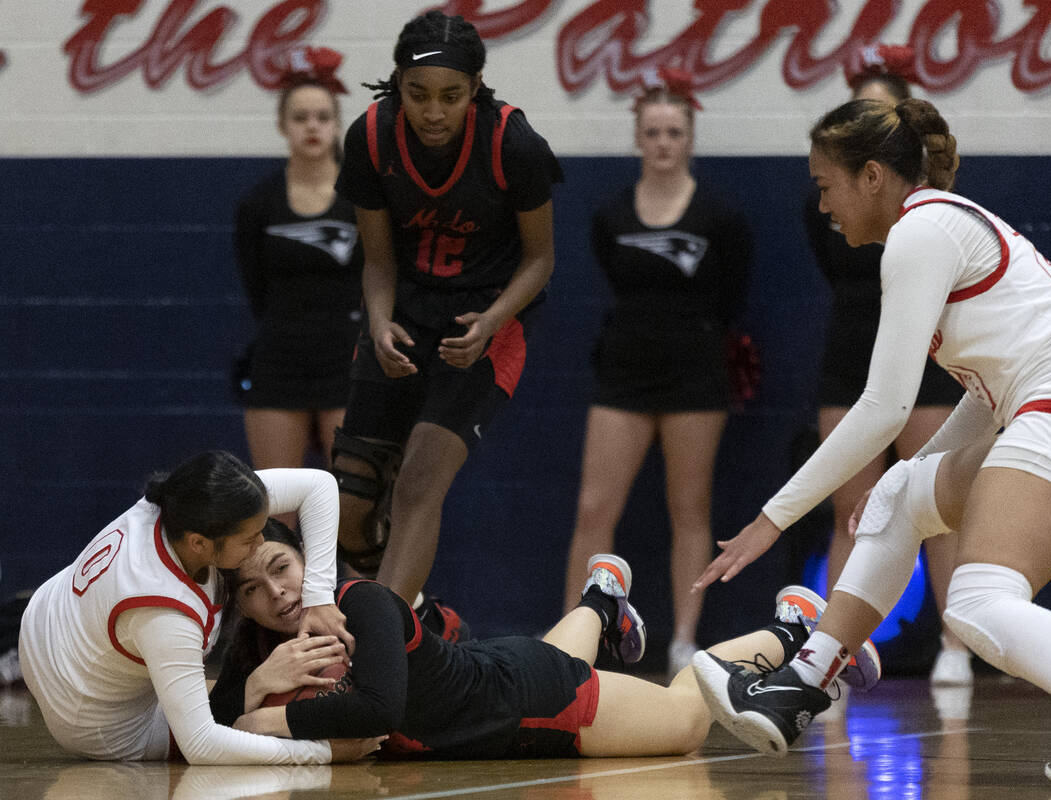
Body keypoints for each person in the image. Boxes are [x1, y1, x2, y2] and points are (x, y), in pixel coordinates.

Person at [689, 97, 1051, 790]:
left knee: (977, 602)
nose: (822, 206)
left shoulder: (920, 232)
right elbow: (982, 396)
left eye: (824, 186)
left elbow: (883, 408)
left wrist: (771, 516)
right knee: (900, 495)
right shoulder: (939, 228)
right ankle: (798, 688)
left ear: (872, 176)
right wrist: (913, 474)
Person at [212, 519, 874, 760]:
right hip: (498, 671)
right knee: (552, 653)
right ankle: (602, 600)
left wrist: (265, 716)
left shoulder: (364, 602)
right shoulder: (267, 659)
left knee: (682, 722)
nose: (275, 592)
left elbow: (376, 713)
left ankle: (792, 630)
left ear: (311, 561)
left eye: (281, 567)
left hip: (529, 696)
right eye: (251, 589)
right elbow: (200, 728)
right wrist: (256, 688)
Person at [330, 10, 562, 612]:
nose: (434, 112)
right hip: (403, 314)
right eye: (418, 95)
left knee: (418, 483)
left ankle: (379, 648)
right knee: (352, 502)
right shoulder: (371, 138)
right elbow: (377, 261)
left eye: (452, 96)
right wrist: (378, 322)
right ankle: (413, 622)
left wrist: (490, 323)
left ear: (477, 86)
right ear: (397, 84)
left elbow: (540, 261)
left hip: (487, 321)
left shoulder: (514, 143)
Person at [561, 67, 752, 675]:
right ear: (638, 139)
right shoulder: (612, 214)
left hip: (696, 377)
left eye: (674, 131)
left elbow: (731, 296)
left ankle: (682, 641)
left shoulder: (719, 216)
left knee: (689, 509)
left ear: (690, 138)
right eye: (653, 132)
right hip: (623, 375)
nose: (664, 142)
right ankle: (572, 643)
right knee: (595, 509)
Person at [17, 450, 379, 764]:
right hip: (92, 723)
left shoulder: (184, 502)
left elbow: (319, 486)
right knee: (236, 723)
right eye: (249, 539)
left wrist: (318, 596)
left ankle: (252, 684)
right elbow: (203, 746)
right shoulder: (163, 611)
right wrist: (323, 753)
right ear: (200, 544)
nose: (261, 542)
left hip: (48, 620)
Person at [807, 47, 969, 689]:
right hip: (851, 347)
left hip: (924, 351)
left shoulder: (929, 209)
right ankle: (843, 651)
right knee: (851, 505)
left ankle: (956, 642)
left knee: (933, 499)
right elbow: (834, 262)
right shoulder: (825, 200)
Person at [234, 47, 363, 472]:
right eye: (301, 117)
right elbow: (256, 287)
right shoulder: (259, 204)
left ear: (337, 124)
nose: (312, 126)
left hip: (347, 362)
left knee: (354, 509)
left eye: (323, 117)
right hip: (279, 361)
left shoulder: (362, 201)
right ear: (282, 125)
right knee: (275, 510)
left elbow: (380, 276)